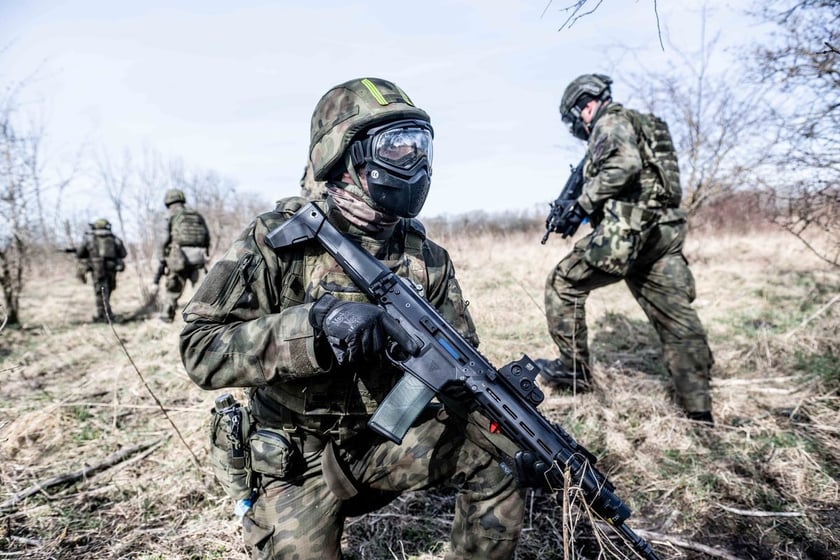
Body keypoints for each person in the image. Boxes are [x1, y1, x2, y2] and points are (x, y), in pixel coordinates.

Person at [179, 77, 525, 560]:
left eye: (420, 146)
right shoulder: (279, 240)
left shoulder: (427, 259)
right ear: (343, 159)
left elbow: (458, 367)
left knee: (502, 450)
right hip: (297, 458)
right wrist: (315, 329)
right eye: (395, 147)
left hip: (384, 441)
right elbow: (200, 350)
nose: (415, 162)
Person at [538, 73, 714, 424]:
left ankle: (574, 372)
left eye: (576, 117)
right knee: (675, 317)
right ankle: (699, 407)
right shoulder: (642, 124)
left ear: (587, 105)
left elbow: (626, 164)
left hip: (629, 233)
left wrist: (582, 204)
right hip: (663, 231)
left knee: (563, 283)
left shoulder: (610, 121)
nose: (578, 126)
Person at [156, 188, 211, 323]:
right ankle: (204, 319)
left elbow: (163, 239)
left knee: (173, 290)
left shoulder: (169, 215)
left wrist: (162, 259)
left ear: (168, 202)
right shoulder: (196, 215)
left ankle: (166, 317)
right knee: (201, 291)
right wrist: (205, 254)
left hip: (178, 258)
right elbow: (207, 237)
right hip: (198, 257)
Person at [75, 218, 127, 322]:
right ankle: (105, 314)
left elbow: (80, 254)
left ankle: (103, 315)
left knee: (100, 292)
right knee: (107, 291)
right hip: (111, 269)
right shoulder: (114, 238)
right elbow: (123, 254)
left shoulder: (89, 238)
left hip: (97, 269)